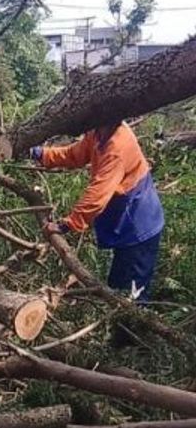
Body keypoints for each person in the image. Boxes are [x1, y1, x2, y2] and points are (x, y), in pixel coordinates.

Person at [30, 121, 164, 343]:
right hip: (126, 225)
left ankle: (132, 347)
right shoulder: (99, 131)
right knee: (117, 284)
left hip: (139, 226)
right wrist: (40, 154)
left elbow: (98, 193)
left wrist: (68, 224)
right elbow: (75, 154)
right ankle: (122, 339)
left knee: (131, 292)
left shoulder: (117, 146)